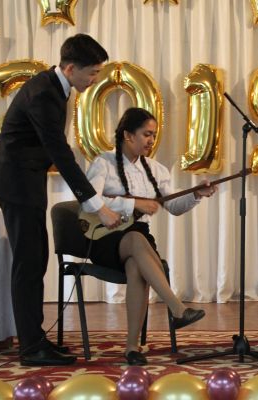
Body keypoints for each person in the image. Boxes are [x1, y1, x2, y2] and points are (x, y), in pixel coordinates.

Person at [0, 34, 122, 366]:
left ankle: (35, 339)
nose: (95, 79)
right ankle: (31, 348)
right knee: (29, 263)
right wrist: (96, 206)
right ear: (71, 68)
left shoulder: (51, 87)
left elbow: (22, 123)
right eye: (92, 73)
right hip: (17, 185)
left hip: (24, 182)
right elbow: (59, 153)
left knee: (35, 260)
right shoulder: (45, 91)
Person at [81, 107, 216, 365]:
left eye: (153, 135)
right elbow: (88, 202)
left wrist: (196, 194)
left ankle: (132, 347)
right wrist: (133, 204)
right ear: (128, 135)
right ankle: (177, 308)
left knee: (136, 265)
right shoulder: (103, 163)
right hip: (105, 238)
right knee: (135, 240)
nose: (151, 140)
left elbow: (173, 206)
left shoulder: (156, 169)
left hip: (138, 237)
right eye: (146, 134)